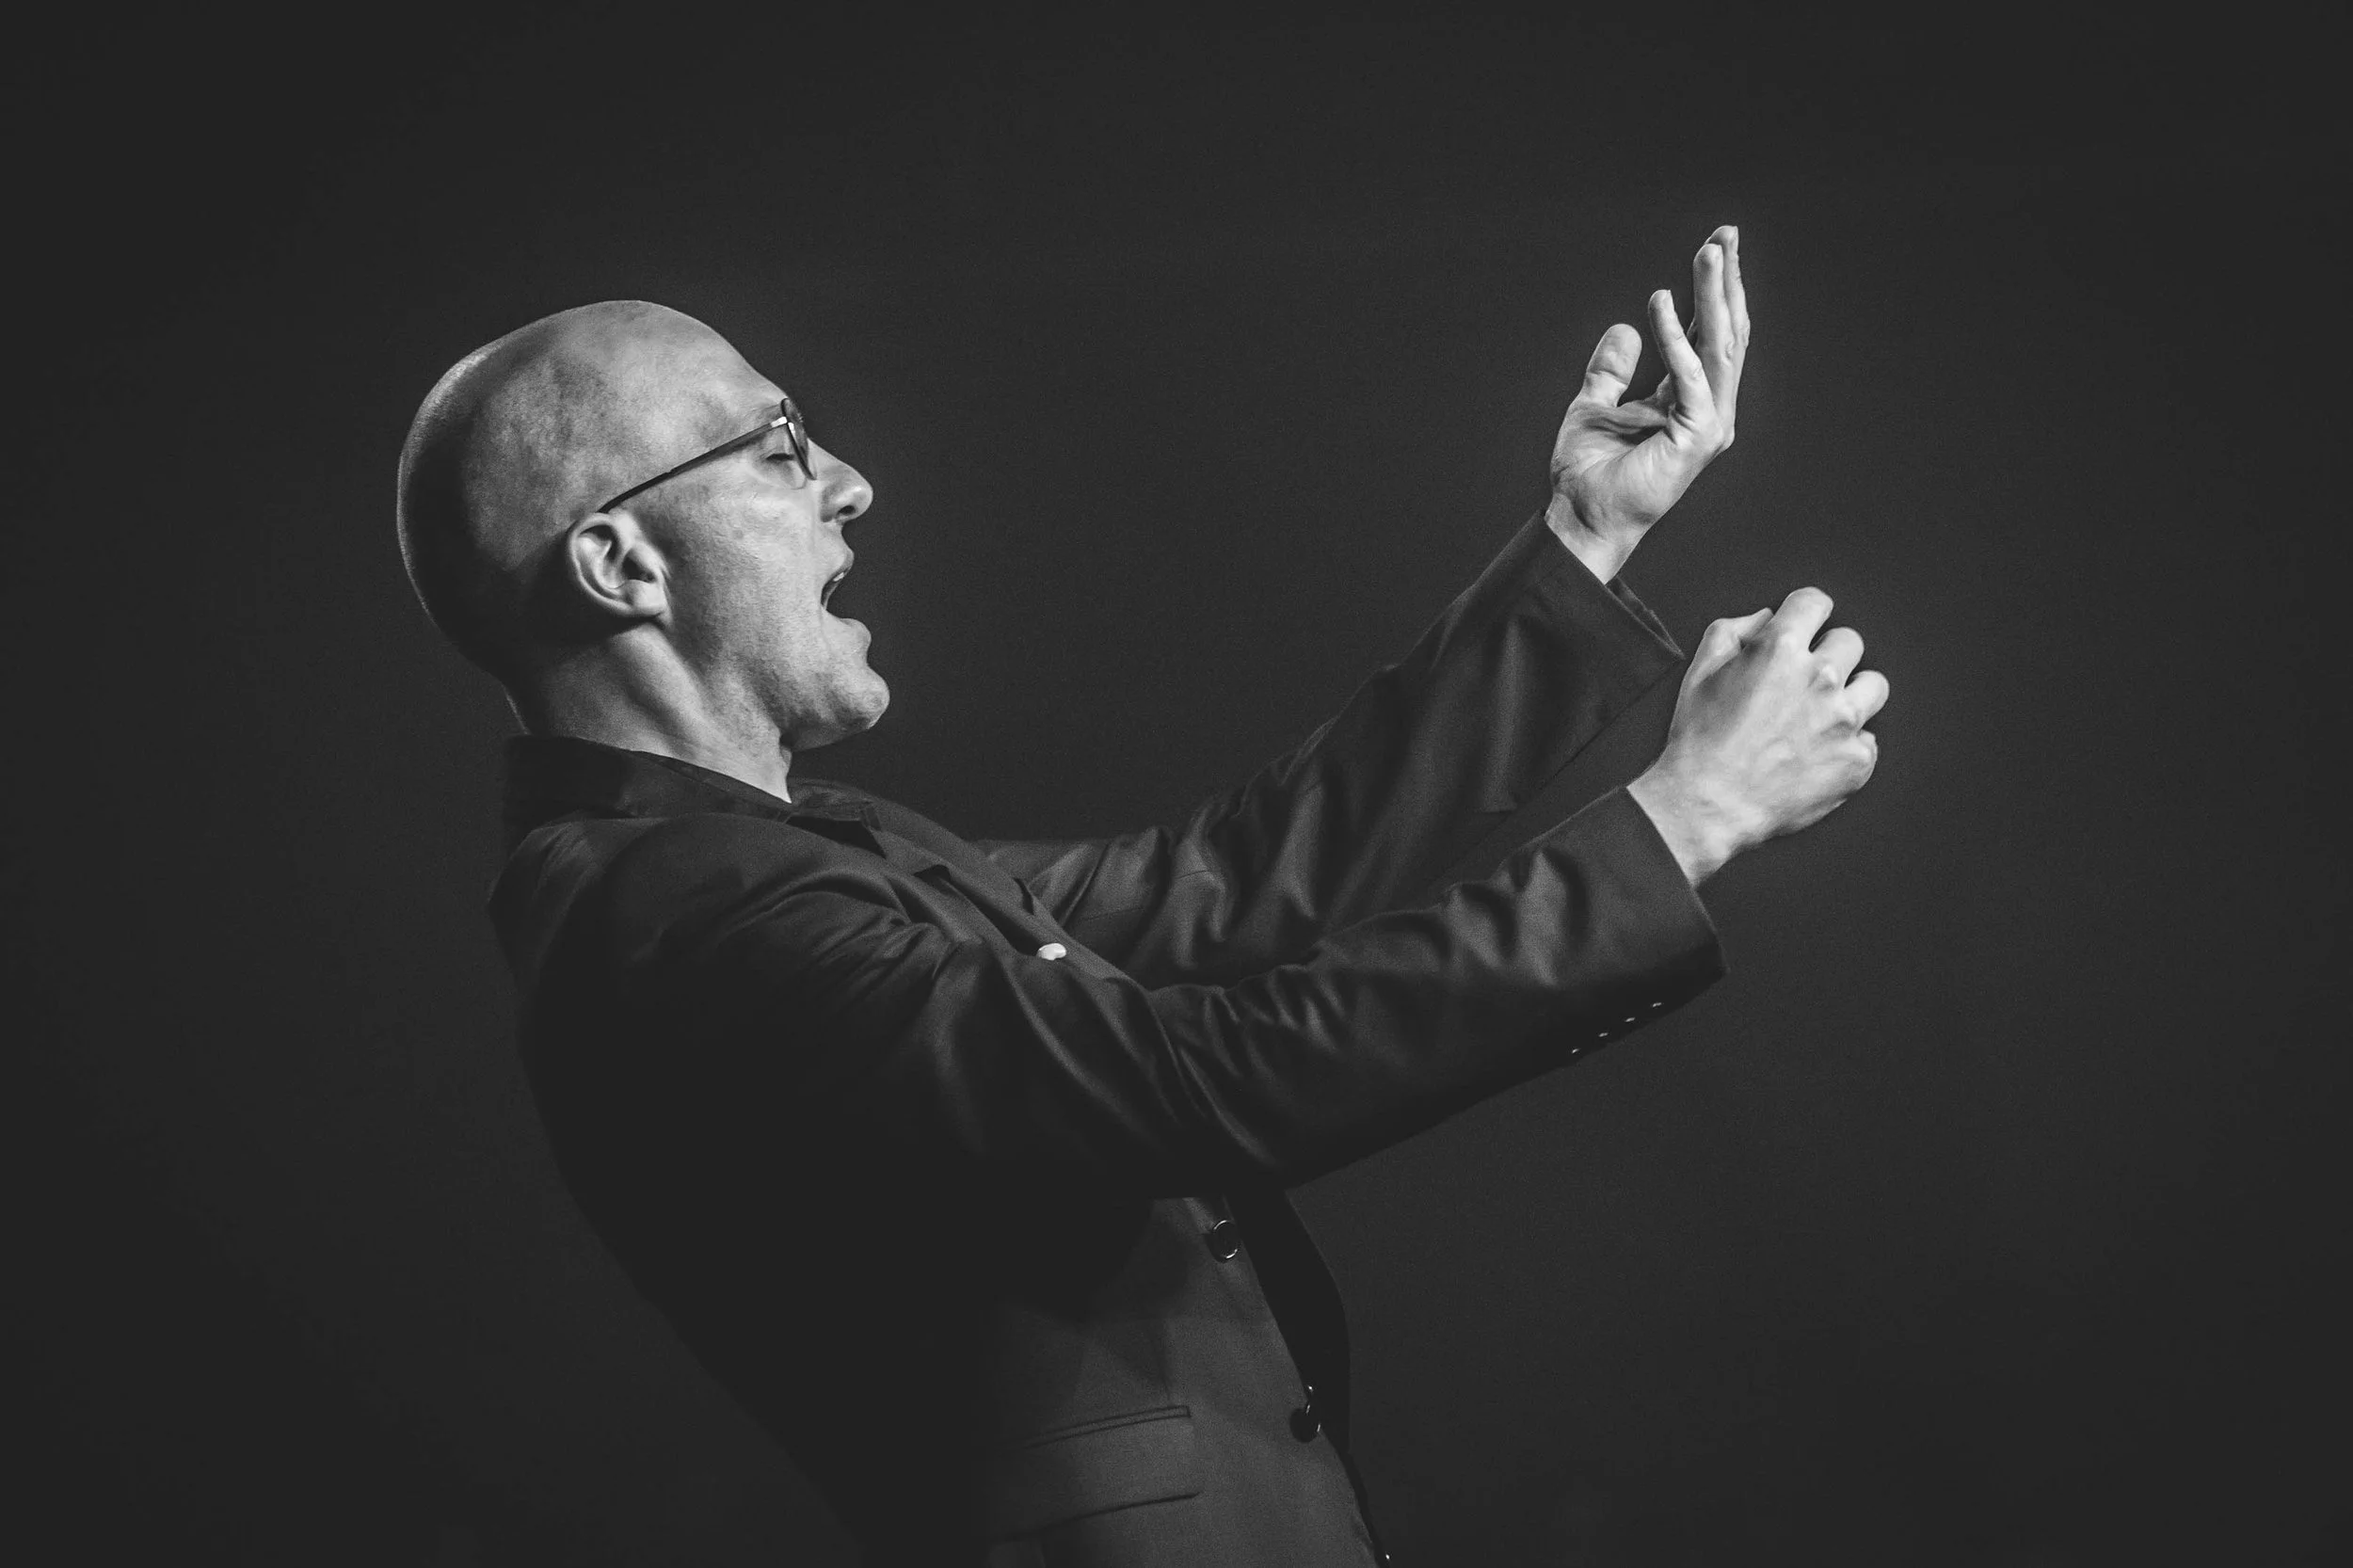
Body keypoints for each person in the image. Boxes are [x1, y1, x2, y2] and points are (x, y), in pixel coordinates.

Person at [394, 225, 1885, 1567]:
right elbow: (1190, 1077)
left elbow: (1231, 883)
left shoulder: (784, 856)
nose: (849, 482)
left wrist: (1584, 536)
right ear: (620, 562)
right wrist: (1688, 814)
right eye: (778, 446)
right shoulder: (676, 921)